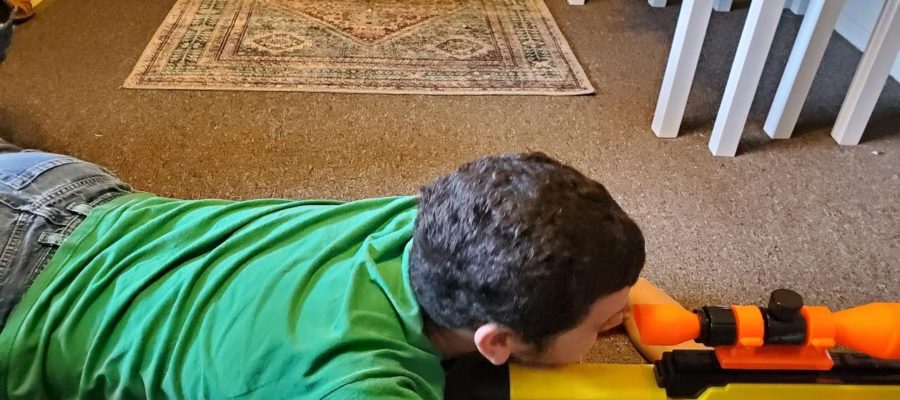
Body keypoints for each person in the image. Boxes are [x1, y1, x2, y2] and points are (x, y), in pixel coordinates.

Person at [0, 138, 697, 399]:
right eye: (603, 323)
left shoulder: (438, 219)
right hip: (19, 300)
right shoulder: (361, 382)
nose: (621, 317)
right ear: (497, 343)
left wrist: (654, 315)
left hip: (63, 187)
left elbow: (566, 247)